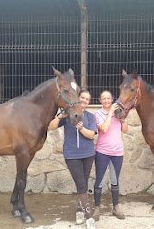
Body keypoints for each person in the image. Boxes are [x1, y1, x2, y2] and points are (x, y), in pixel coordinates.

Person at [48, 89, 97, 227]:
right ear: (77, 98)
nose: (84, 101)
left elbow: (91, 135)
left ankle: (79, 211)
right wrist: (59, 117)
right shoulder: (69, 115)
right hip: (72, 155)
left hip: (88, 154)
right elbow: (51, 127)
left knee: (83, 184)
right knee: (81, 184)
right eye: (82, 98)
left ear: (89, 102)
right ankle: (89, 217)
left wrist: (81, 129)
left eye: (87, 99)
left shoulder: (90, 117)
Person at [93, 90, 128, 220]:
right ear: (100, 100)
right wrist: (110, 114)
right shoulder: (97, 114)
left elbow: (125, 130)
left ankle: (116, 207)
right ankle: (97, 208)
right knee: (100, 180)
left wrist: (123, 119)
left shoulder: (118, 113)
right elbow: (104, 129)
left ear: (112, 99)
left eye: (109, 98)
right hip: (102, 152)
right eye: (104, 98)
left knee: (114, 180)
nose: (107, 100)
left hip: (117, 152)